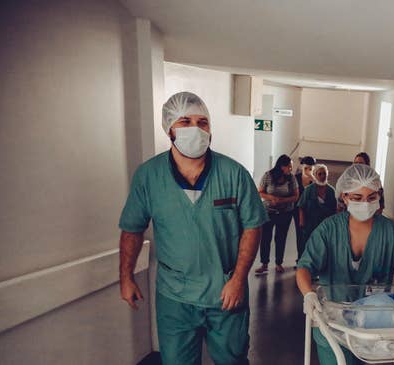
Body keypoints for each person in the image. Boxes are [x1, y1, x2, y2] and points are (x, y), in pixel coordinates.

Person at [118, 91, 268, 365]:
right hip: (175, 296)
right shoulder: (149, 176)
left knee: (232, 360)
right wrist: (126, 276)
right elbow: (132, 229)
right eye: (184, 121)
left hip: (225, 291)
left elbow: (252, 226)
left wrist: (237, 280)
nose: (195, 129)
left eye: (203, 122)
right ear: (169, 129)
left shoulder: (233, 174)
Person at [296, 164, 394, 365]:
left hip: (375, 325)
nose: (365, 203)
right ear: (344, 197)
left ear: (379, 196)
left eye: (371, 197)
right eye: (357, 198)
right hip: (333, 321)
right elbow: (304, 267)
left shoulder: (392, 233)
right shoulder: (329, 230)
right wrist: (309, 294)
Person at [256, 154, 299, 274]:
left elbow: (296, 196)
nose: (291, 169)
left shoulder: (292, 178)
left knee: (281, 238)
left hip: (285, 213)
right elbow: (260, 192)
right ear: (281, 166)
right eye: (289, 167)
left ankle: (279, 263)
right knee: (265, 238)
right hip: (268, 212)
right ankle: (264, 264)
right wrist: (271, 198)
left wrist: (282, 200)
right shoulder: (268, 175)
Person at [296, 164, 337, 261]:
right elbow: (301, 206)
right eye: (320, 174)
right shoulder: (309, 190)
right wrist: (302, 221)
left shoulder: (331, 191)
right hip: (310, 222)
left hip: (325, 223)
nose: (323, 176)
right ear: (315, 175)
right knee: (307, 243)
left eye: (325, 174)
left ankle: (319, 264)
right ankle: (303, 263)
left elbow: (334, 209)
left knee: (322, 244)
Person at [293, 156, 316, 265]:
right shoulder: (296, 178)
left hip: (311, 211)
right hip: (297, 210)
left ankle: (309, 259)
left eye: (310, 168)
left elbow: (320, 189)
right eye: (306, 168)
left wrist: (313, 178)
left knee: (310, 234)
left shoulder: (314, 179)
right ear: (302, 166)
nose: (308, 170)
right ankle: (300, 258)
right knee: (300, 234)